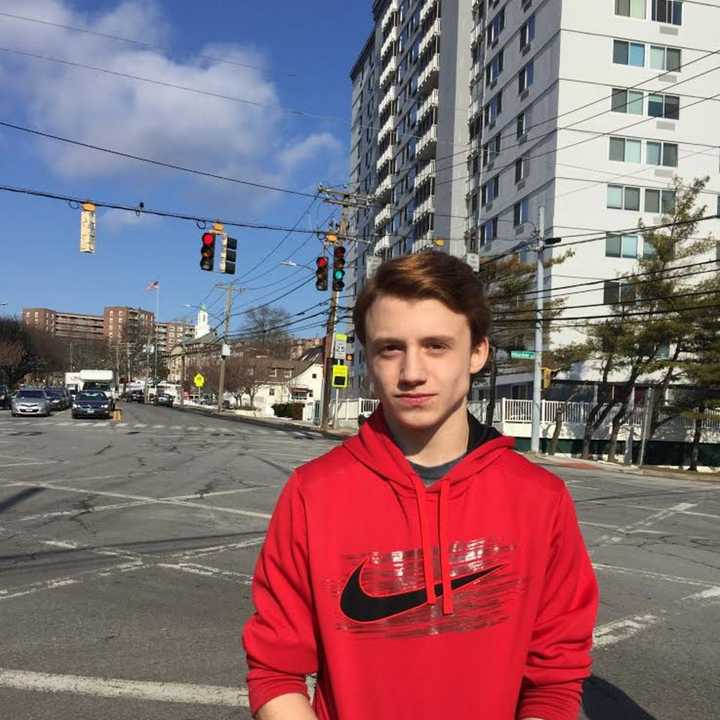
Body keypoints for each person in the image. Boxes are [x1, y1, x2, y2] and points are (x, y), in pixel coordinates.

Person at [243, 252, 598, 720]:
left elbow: (553, 682)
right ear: (367, 359)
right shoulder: (314, 493)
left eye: (436, 345)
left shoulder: (540, 498)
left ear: (477, 352)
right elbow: (275, 672)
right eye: (390, 348)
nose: (412, 373)